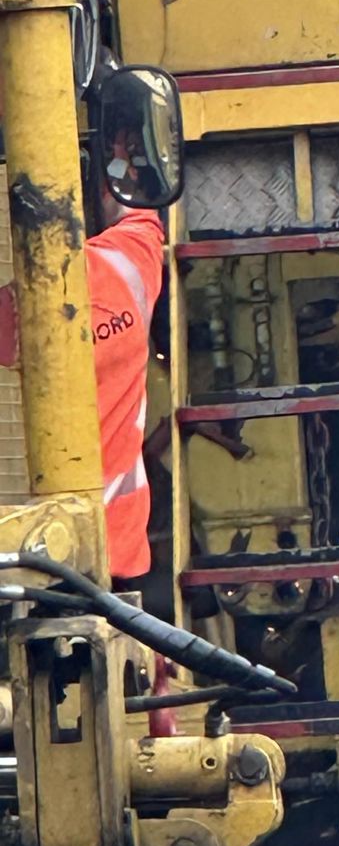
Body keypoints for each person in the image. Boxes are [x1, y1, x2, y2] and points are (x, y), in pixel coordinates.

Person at [87, 157, 166, 583]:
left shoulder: (28, 297)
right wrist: (119, 162)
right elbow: (141, 219)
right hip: (113, 556)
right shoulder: (130, 265)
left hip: (33, 551)